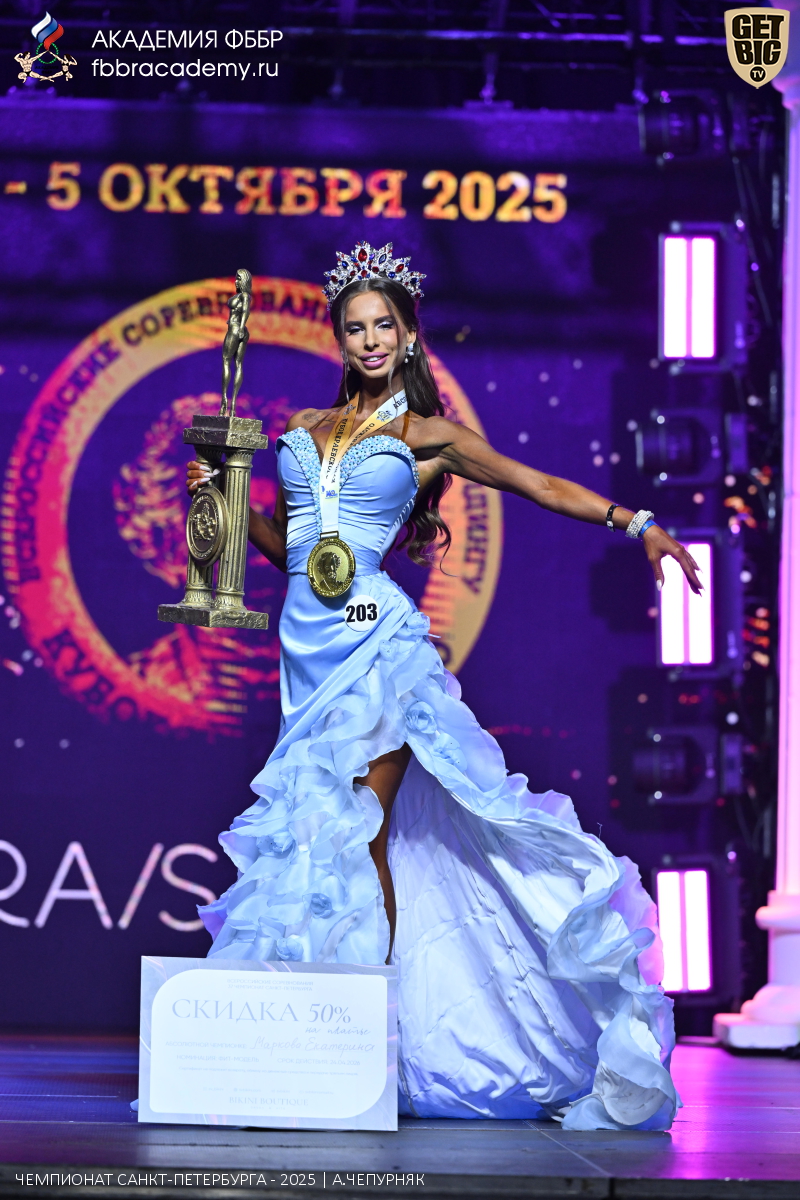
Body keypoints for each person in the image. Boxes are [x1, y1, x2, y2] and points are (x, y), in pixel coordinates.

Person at [187, 242, 700, 1130]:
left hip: (375, 645)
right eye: (356, 327)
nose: (371, 339)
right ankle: (302, 1037)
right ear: (340, 338)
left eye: (384, 325)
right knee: (312, 834)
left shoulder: (429, 437)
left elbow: (539, 484)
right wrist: (219, 502)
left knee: (360, 832)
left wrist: (638, 521)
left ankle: (367, 1042)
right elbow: (287, 552)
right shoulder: (303, 427)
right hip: (305, 653)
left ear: (408, 335)